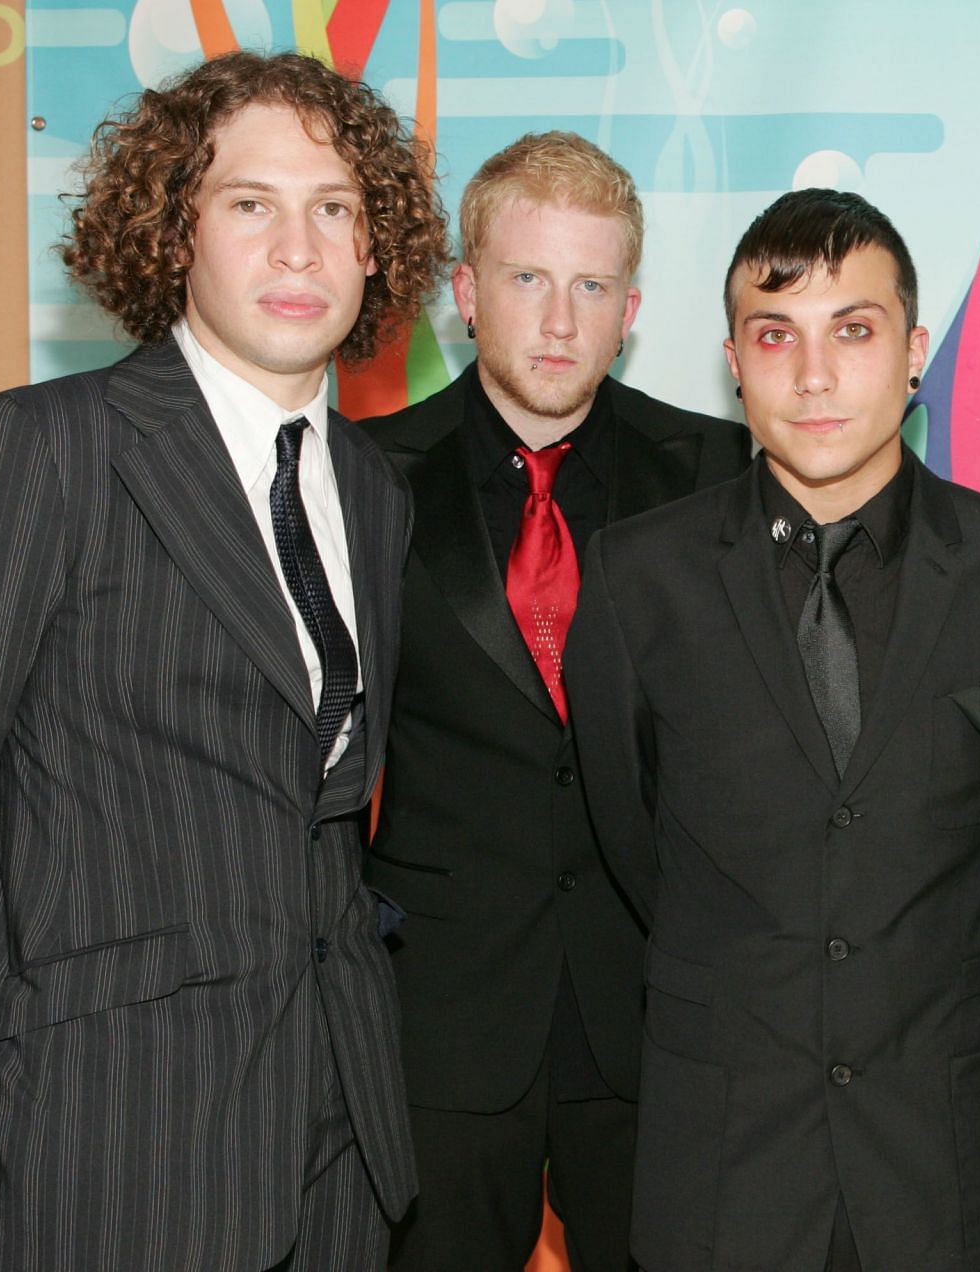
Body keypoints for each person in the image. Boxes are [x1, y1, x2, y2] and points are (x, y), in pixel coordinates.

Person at [564, 188, 980, 1272]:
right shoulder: (636, 576)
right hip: (724, 1166)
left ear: (915, 353)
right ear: (733, 360)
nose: (813, 374)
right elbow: (634, 840)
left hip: (940, 1161)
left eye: (853, 330)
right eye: (776, 335)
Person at [0, 51, 449, 1267]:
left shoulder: (372, 493)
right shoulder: (47, 453)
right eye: (253, 204)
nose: (299, 249)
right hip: (110, 1135)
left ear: (374, 247)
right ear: (172, 231)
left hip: (340, 1140)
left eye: (335, 209)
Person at [362, 132, 748, 1270]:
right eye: (529, 279)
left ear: (632, 306)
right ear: (465, 294)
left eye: (591, 286)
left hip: (655, 1008)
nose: (560, 320)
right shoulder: (360, 475)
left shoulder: (720, 476)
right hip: (437, 1015)